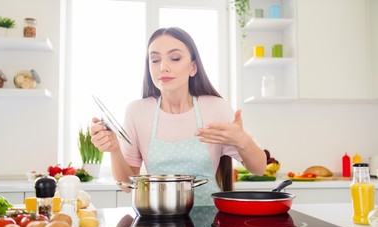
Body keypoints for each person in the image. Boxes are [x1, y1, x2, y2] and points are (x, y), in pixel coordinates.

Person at [90, 27, 266, 206]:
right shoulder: (137, 112)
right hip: (157, 220)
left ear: (193, 67)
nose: (163, 67)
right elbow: (128, 185)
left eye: (175, 58)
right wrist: (114, 150)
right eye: (155, 60)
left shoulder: (215, 108)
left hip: (209, 223)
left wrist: (242, 140)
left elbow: (259, 168)